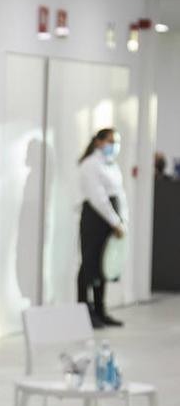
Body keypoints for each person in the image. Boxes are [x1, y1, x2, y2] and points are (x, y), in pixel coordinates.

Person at [77, 128, 128, 328]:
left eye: (116, 142)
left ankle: (100, 310)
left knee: (103, 265)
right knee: (89, 264)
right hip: (96, 219)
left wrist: (122, 220)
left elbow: (119, 195)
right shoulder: (90, 165)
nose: (113, 146)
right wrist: (114, 221)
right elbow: (98, 197)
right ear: (98, 142)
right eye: (110, 141)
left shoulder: (112, 165)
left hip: (111, 219)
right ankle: (84, 312)